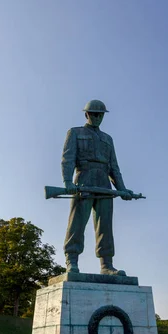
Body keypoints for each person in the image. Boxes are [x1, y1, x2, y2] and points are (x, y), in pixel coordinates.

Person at [62, 100, 133, 275]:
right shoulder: (75, 132)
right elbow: (68, 159)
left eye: (100, 114)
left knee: (105, 226)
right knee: (77, 223)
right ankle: (72, 260)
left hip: (104, 183)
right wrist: (68, 182)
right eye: (94, 114)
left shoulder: (108, 139)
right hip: (84, 179)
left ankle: (106, 265)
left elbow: (114, 167)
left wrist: (122, 189)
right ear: (86, 114)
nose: (97, 117)